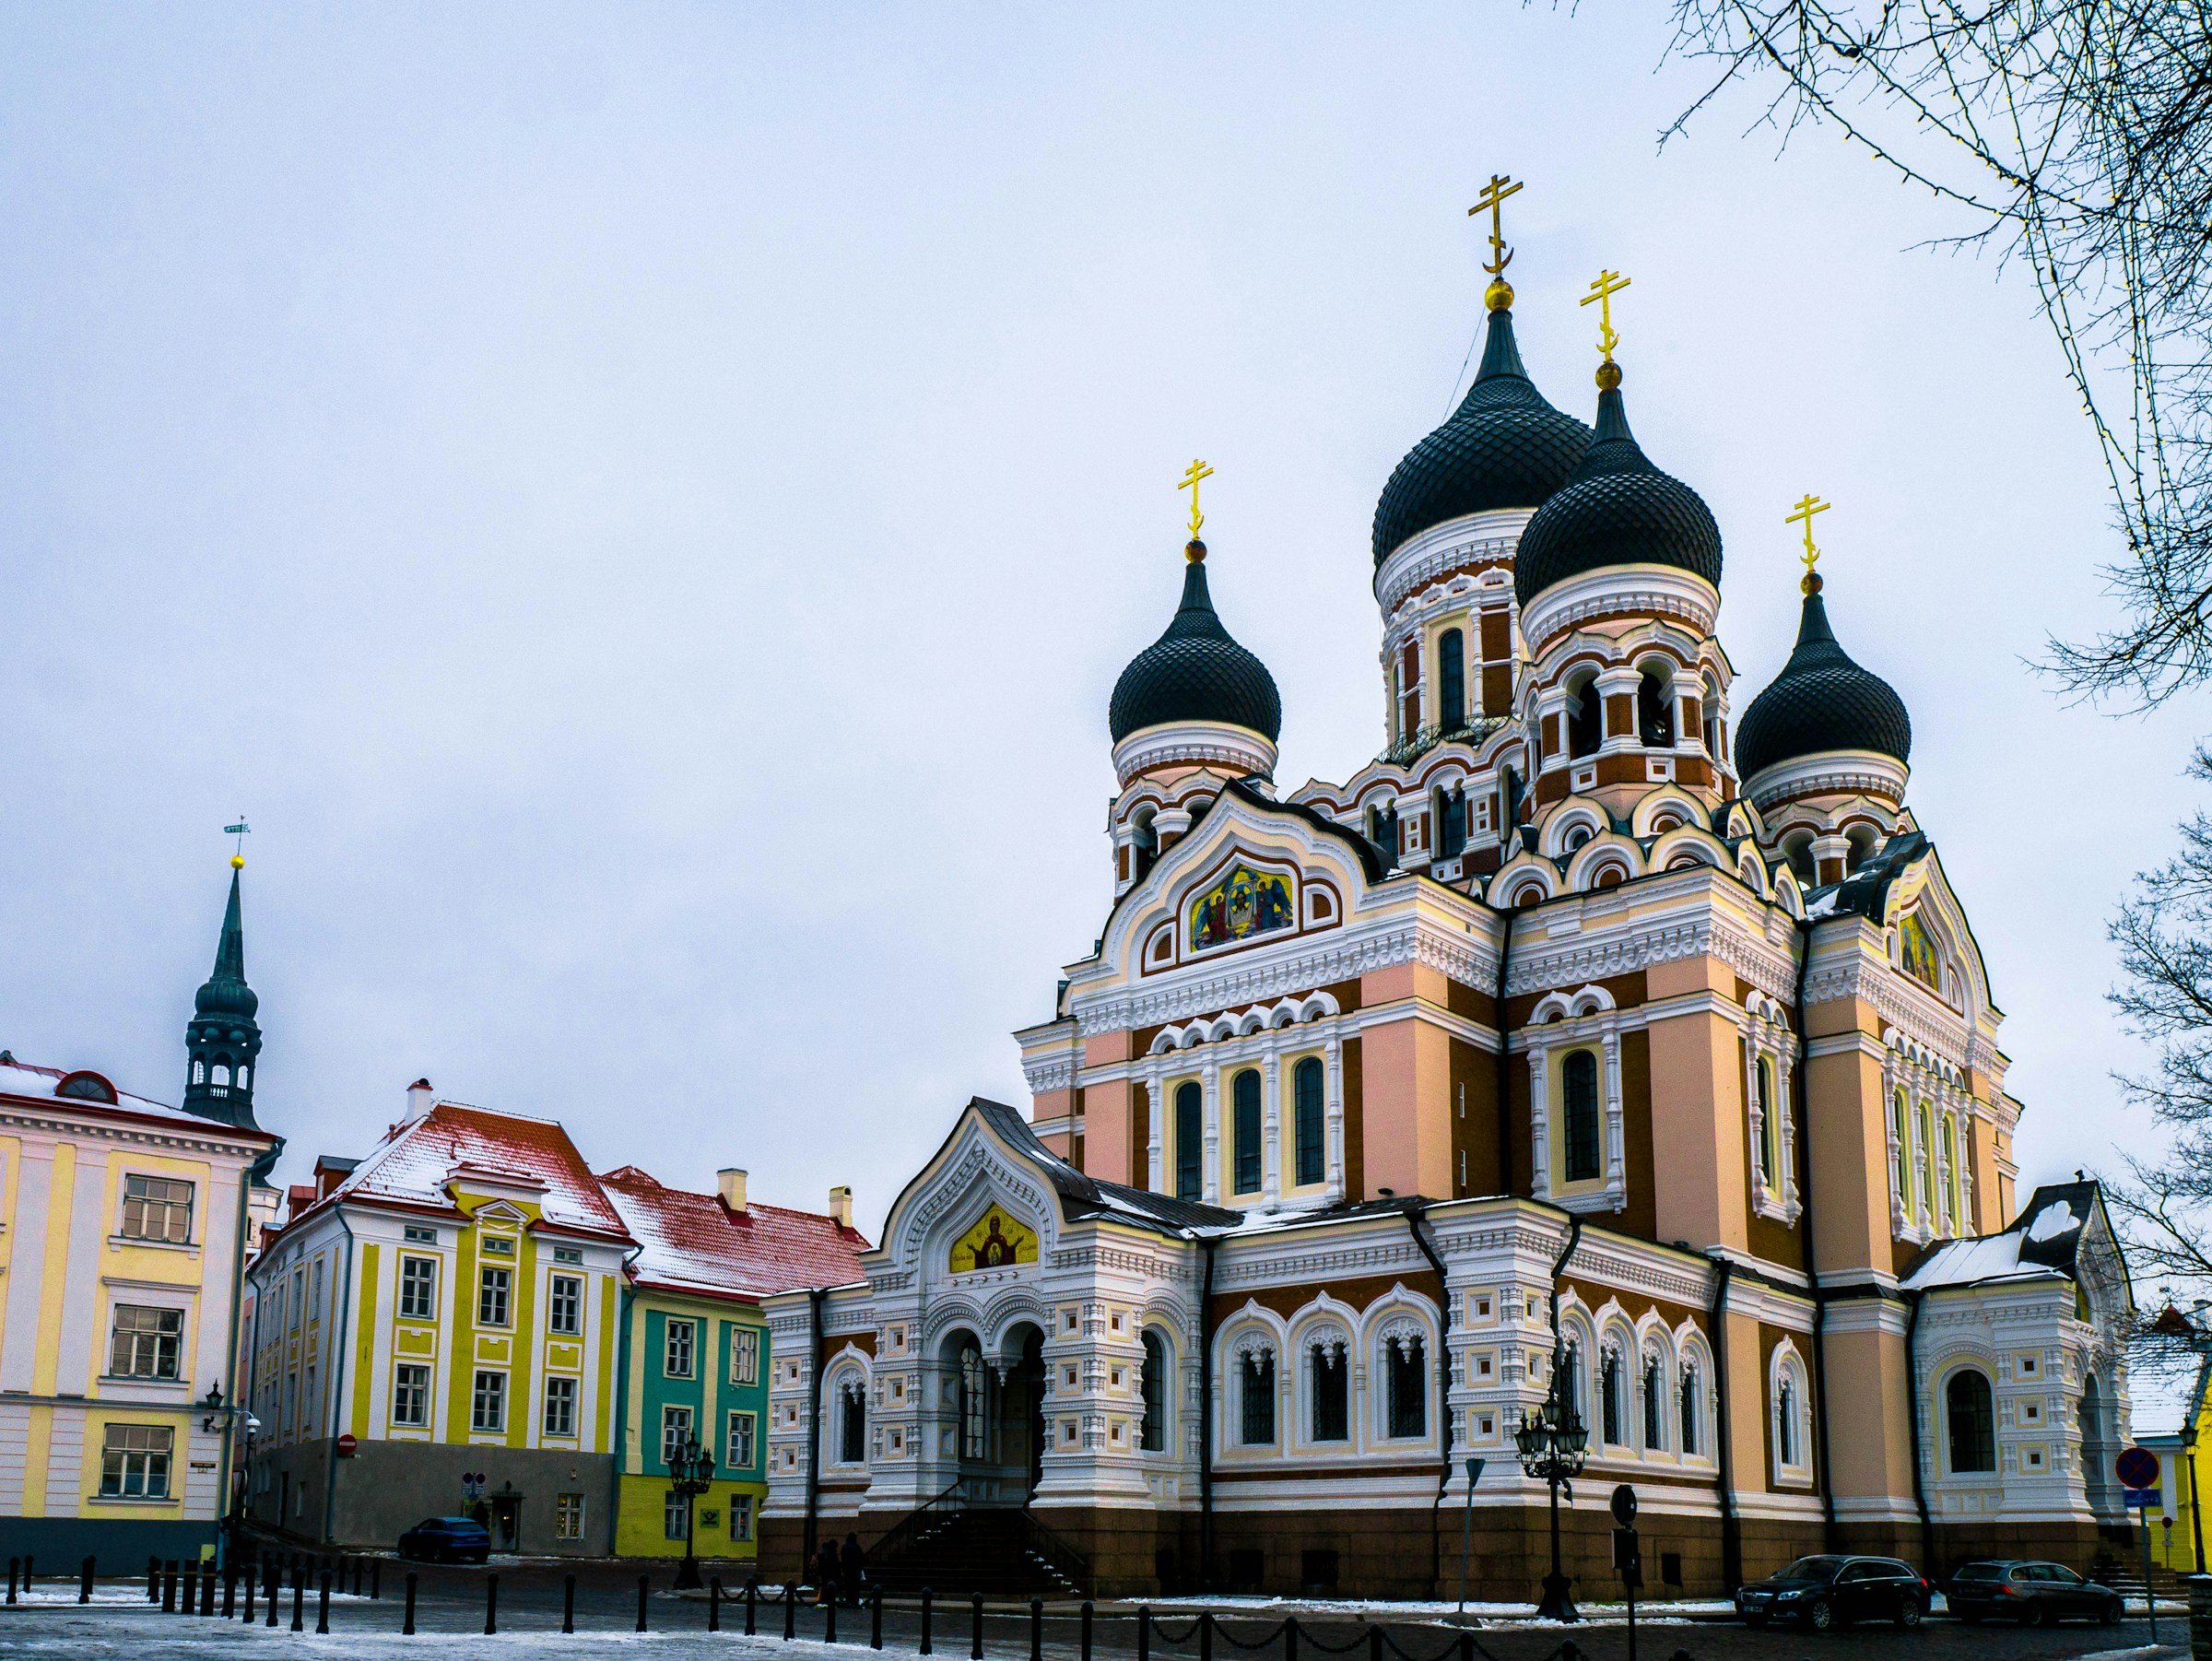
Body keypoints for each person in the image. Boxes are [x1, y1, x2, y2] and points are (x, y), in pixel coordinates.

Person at [840, 1532, 865, 1606]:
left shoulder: (844, 1547)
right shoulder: (857, 1547)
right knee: (855, 1587)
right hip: (855, 1570)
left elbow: (843, 1559)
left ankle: (849, 1600)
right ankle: (855, 1601)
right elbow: (861, 1558)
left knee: (848, 1586)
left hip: (847, 1570)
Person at [815, 1537, 841, 1606]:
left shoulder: (826, 1552)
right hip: (829, 1572)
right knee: (828, 1586)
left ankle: (824, 1599)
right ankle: (826, 1599)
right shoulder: (831, 1552)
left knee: (825, 1586)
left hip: (825, 1572)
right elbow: (833, 1563)